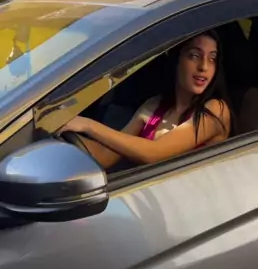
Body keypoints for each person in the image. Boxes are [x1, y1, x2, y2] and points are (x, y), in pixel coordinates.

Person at [58, 30, 231, 169]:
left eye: (212, 59)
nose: (204, 67)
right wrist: (59, 130)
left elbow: (155, 154)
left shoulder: (216, 110)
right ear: (176, 59)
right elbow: (105, 156)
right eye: (194, 56)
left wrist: (88, 125)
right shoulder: (154, 105)